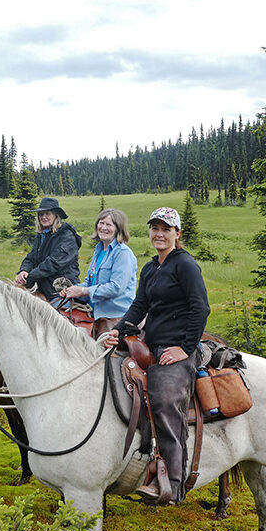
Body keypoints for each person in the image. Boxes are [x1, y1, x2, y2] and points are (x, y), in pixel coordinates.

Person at [104, 206, 210, 505]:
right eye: (154, 228)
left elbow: (200, 308)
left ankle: (173, 483)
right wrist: (120, 330)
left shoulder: (185, 265)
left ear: (177, 233)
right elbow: (139, 307)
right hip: (151, 342)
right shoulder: (151, 268)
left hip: (176, 347)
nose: (159, 234)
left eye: (166, 229)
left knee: (164, 400)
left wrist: (185, 348)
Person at [59, 208, 138, 339]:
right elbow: (90, 282)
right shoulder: (100, 250)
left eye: (109, 224)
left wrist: (84, 291)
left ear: (118, 228)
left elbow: (116, 287)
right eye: (101, 223)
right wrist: (73, 290)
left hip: (116, 316)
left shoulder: (123, 253)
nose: (103, 228)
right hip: (96, 311)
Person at [14, 197, 82, 304]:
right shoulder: (42, 235)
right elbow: (31, 257)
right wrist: (24, 271)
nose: (44, 217)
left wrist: (28, 278)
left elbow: (52, 264)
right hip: (43, 286)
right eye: (41, 214)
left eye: (47, 214)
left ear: (56, 215)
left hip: (60, 289)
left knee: (53, 317)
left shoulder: (67, 236)